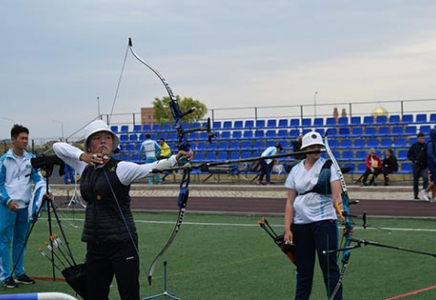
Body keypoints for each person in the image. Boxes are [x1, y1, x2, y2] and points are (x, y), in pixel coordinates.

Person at [53, 120, 190, 300]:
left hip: (122, 244)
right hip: (95, 243)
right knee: (95, 294)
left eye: (107, 137)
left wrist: (176, 158)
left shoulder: (122, 168)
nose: (103, 141)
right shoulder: (83, 166)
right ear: (89, 144)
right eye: (97, 138)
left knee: (129, 294)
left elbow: (151, 168)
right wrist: (81, 156)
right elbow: (57, 147)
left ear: (112, 143)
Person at [283, 131, 343, 300]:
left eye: (318, 147)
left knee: (330, 269)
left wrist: (341, 209)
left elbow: (337, 196)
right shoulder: (295, 170)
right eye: (312, 147)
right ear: (305, 149)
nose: (316, 149)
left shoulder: (329, 167)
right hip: (300, 226)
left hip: (324, 224)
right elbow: (289, 202)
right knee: (303, 270)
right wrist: (288, 228)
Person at [0, 124, 46, 288]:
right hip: (8, 206)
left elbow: (38, 178)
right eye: (22, 138)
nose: (25, 141)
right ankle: (5, 276)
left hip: (25, 206)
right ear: (13, 140)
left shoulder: (30, 159)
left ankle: (19, 273)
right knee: (5, 241)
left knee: (21, 240)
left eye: (27, 138)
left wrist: (43, 190)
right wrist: (7, 200)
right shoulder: (4, 160)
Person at [407, 132, 429, 200]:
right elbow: (409, 155)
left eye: (423, 138)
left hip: (424, 166)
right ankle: (415, 195)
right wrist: (414, 160)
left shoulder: (426, 146)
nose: (422, 139)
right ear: (418, 138)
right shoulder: (414, 146)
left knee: (425, 179)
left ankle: (425, 193)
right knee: (415, 181)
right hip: (416, 166)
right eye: (420, 138)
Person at [422, 128, 436, 202]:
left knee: (434, 180)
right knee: (435, 180)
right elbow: (430, 155)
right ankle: (425, 191)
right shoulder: (430, 143)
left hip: (434, 164)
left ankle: (434, 197)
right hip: (432, 164)